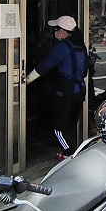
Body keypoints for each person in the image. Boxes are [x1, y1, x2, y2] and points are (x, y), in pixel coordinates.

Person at [24, 15, 88, 159]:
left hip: (66, 92)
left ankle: (70, 153)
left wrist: (28, 79)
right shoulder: (80, 46)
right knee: (70, 124)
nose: (55, 32)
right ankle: (70, 152)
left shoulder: (62, 48)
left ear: (64, 31)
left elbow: (45, 66)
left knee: (59, 128)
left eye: (57, 29)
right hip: (79, 91)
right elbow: (84, 70)